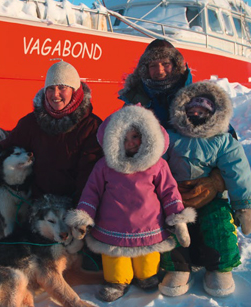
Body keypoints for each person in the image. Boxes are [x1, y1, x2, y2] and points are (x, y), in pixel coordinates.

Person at [66, 105, 196, 302]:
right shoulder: (104, 166)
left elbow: (169, 192)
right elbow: (91, 192)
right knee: (115, 261)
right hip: (112, 228)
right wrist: (83, 217)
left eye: (135, 136)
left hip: (148, 227)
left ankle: (147, 276)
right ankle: (117, 282)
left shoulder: (158, 165)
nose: (131, 143)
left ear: (146, 136)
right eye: (124, 139)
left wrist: (178, 219)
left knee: (147, 261)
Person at [158, 81, 251, 297]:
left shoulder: (222, 140)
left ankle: (219, 268)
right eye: (191, 110)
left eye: (202, 111)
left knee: (219, 222)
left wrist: (243, 205)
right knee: (170, 225)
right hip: (176, 197)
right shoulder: (170, 137)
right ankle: (177, 268)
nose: (195, 114)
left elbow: (236, 171)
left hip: (210, 198)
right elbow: (157, 165)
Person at [118, 39, 228, 209]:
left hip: (198, 185)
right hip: (152, 191)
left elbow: (226, 140)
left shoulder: (197, 97)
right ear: (144, 69)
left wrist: (216, 181)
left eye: (165, 63)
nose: (159, 70)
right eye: (153, 65)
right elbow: (119, 146)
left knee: (217, 230)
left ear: (176, 65)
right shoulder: (133, 103)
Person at [0, 60, 103, 205]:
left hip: (69, 210)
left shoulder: (91, 127)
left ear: (74, 90)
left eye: (62, 87)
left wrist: (78, 214)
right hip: (33, 207)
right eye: (50, 88)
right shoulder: (32, 123)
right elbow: (4, 153)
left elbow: (90, 178)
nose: (55, 94)